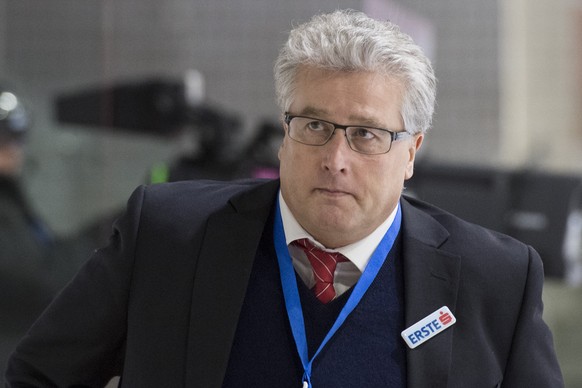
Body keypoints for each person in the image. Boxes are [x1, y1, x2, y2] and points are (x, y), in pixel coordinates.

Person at [5, 9, 563, 387]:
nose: (335, 157)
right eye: (315, 125)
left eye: (366, 134)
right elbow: (38, 376)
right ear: (284, 128)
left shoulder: (495, 281)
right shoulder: (169, 238)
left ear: (411, 150)